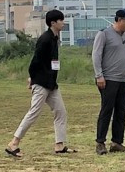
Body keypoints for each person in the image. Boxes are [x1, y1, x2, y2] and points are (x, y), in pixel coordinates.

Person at [5, 9, 77, 158]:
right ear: (53, 23)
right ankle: (14, 143)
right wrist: (32, 78)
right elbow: (35, 61)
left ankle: (59, 145)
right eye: (61, 20)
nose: (63, 23)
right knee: (34, 112)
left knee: (60, 111)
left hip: (51, 84)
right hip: (41, 83)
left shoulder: (55, 38)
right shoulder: (45, 39)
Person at [92, 8, 125, 155]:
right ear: (119, 20)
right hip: (108, 79)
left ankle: (117, 142)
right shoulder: (104, 34)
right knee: (106, 110)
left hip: (123, 79)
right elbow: (96, 56)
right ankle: (100, 142)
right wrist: (99, 76)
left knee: (121, 112)